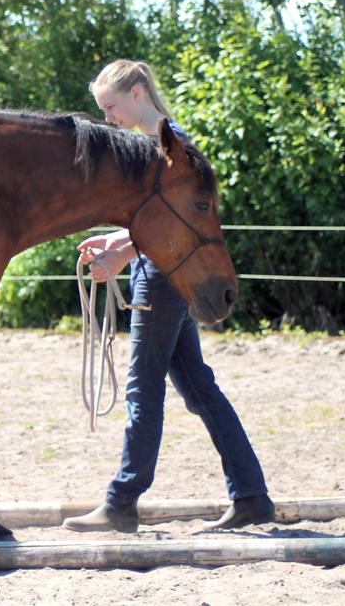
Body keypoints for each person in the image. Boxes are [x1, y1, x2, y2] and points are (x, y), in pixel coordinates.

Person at [62, 60, 275, 533]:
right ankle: (252, 496)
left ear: (137, 93)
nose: (108, 118)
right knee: (199, 388)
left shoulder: (169, 146)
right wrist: (117, 245)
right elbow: (156, 222)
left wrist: (121, 254)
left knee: (144, 388)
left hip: (160, 274)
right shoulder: (157, 142)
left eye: (111, 107)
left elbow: (176, 227)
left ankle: (122, 502)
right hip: (158, 269)